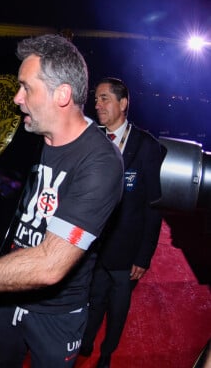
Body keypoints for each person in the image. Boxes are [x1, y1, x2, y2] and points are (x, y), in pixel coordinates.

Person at [0, 33, 125, 367]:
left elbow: (50, 265)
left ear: (62, 95)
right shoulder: (29, 139)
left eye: (26, 87)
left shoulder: (100, 162)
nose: (16, 98)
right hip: (5, 298)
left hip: (56, 314)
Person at [79, 77, 165, 368]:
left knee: (117, 309)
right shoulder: (91, 139)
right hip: (91, 247)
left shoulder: (146, 146)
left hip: (126, 251)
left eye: (104, 98)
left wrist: (144, 255)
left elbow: (154, 207)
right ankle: (86, 342)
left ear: (123, 103)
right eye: (97, 99)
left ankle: (106, 354)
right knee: (93, 298)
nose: (97, 104)